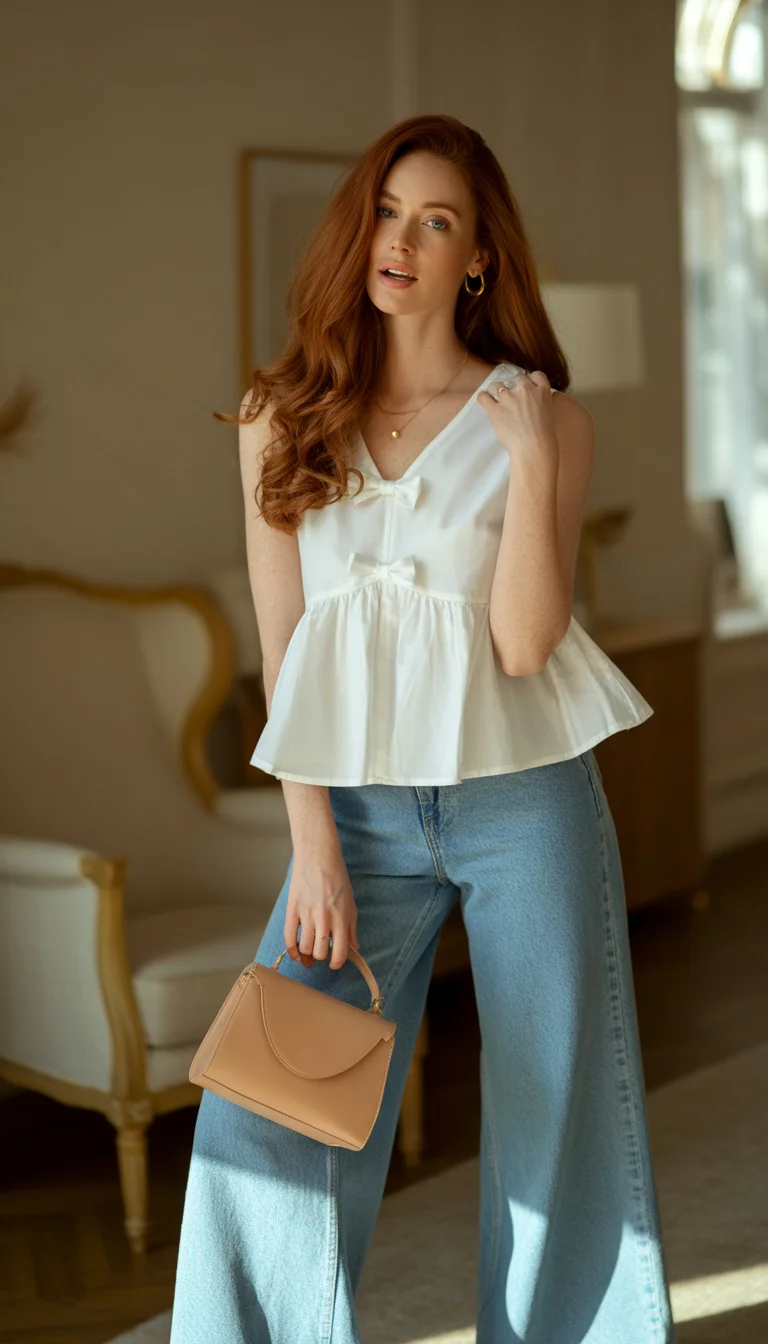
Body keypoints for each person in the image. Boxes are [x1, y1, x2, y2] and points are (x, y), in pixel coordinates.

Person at [170, 114, 676, 1344]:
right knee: (263, 1108)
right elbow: (285, 653)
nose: (401, 240)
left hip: (524, 798)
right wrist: (314, 848)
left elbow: (525, 646)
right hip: (352, 813)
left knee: (556, 1105)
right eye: (387, 213)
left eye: (436, 221)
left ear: (477, 259)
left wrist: (533, 464)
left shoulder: (540, 418)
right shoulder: (282, 413)